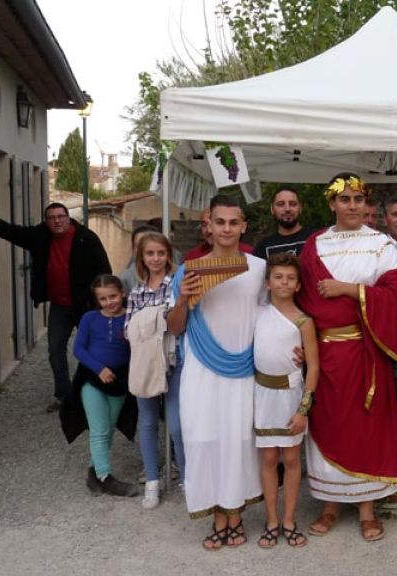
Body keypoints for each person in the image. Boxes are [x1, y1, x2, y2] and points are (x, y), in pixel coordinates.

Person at [296, 173, 397, 543]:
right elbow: (302, 301)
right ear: (332, 204)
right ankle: (329, 506)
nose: (353, 206)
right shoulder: (314, 245)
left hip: (365, 352)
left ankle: (367, 510)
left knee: (366, 429)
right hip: (325, 354)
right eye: (345, 200)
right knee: (327, 426)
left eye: (359, 199)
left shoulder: (382, 244)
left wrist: (349, 289)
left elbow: (394, 297)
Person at [168, 195, 266, 550]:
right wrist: (182, 299)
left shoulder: (259, 269)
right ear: (208, 226)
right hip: (201, 370)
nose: (226, 229)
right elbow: (175, 328)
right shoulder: (188, 270)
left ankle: (235, 515)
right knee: (204, 439)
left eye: (233, 222)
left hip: (243, 368)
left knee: (240, 442)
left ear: (243, 226)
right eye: (219, 222)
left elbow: (271, 318)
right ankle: (215, 516)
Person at [0, 193, 111, 412]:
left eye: (61, 217)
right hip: (59, 306)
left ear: (68, 218)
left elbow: (104, 271)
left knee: (94, 349)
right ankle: (64, 396)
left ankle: (97, 392)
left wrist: (103, 303)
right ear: (46, 221)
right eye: (51, 218)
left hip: (86, 306)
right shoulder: (39, 236)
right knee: (54, 350)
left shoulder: (86, 238)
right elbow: (8, 230)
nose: (57, 221)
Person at [253, 253, 319, 549]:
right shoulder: (257, 313)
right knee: (268, 458)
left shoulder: (304, 321)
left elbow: (314, 367)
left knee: (291, 459)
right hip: (261, 394)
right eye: (278, 277)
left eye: (290, 278)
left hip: (291, 395)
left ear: (298, 285)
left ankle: (289, 519)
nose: (284, 282)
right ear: (267, 282)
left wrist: (303, 410)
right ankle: (271, 520)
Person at [124, 231, 184, 510]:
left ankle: (186, 477)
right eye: (150, 254)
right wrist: (155, 320)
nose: (156, 258)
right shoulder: (136, 291)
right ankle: (152, 480)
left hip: (174, 362)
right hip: (146, 363)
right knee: (147, 422)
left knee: (177, 425)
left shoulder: (176, 285)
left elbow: (177, 323)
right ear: (142, 258)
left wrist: (151, 321)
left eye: (161, 253)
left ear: (168, 255)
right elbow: (128, 330)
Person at [71, 275, 138, 498]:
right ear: (97, 300)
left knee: (108, 428)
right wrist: (99, 368)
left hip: (118, 381)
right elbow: (79, 349)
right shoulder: (90, 318)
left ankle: (93, 472)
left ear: (123, 293)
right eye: (103, 299)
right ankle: (105, 477)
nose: (109, 302)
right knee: (99, 429)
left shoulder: (131, 317)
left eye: (113, 296)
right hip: (92, 378)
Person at [254, 188, 315, 259]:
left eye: (293, 204)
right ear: (272, 209)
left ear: (300, 208)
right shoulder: (263, 247)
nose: (287, 209)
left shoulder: (316, 239)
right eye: (280, 204)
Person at [184, 207, 254, 261]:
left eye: (218, 223)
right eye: (204, 224)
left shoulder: (251, 254)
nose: (209, 230)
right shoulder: (193, 256)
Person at [119, 224, 158, 293]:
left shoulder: (176, 274)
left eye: (148, 245)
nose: (144, 249)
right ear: (133, 249)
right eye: (139, 245)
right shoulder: (126, 278)